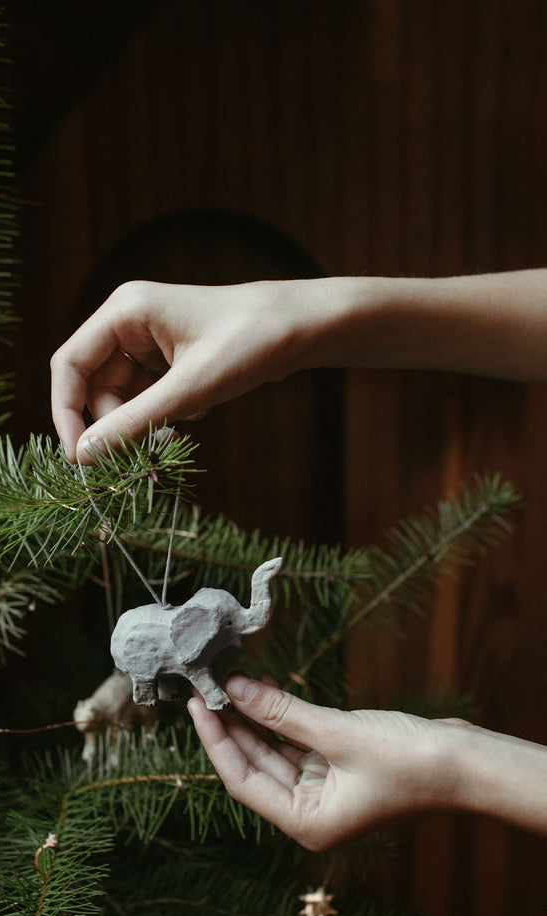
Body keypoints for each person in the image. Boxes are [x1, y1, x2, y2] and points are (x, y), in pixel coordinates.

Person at [51, 271, 547, 847]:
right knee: (152, 682)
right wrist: (291, 315)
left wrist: (460, 763)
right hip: (152, 646)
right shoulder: (187, 635)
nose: (245, 620)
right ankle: (146, 685)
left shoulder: (198, 631)